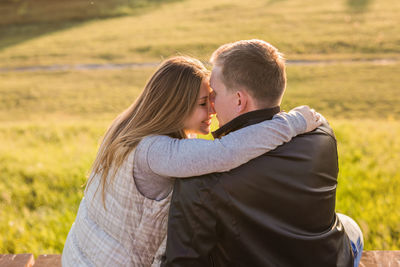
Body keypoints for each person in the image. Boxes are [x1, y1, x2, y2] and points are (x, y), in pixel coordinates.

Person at [61, 56, 322, 266]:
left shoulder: (126, 128)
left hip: (78, 256)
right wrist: (295, 122)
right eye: (202, 103)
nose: (212, 110)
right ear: (175, 105)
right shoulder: (154, 152)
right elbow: (226, 153)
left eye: (211, 99)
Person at [161, 40, 364, 267]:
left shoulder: (200, 175)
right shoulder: (320, 132)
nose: (212, 105)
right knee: (350, 226)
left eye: (215, 94)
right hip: (328, 259)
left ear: (239, 100)